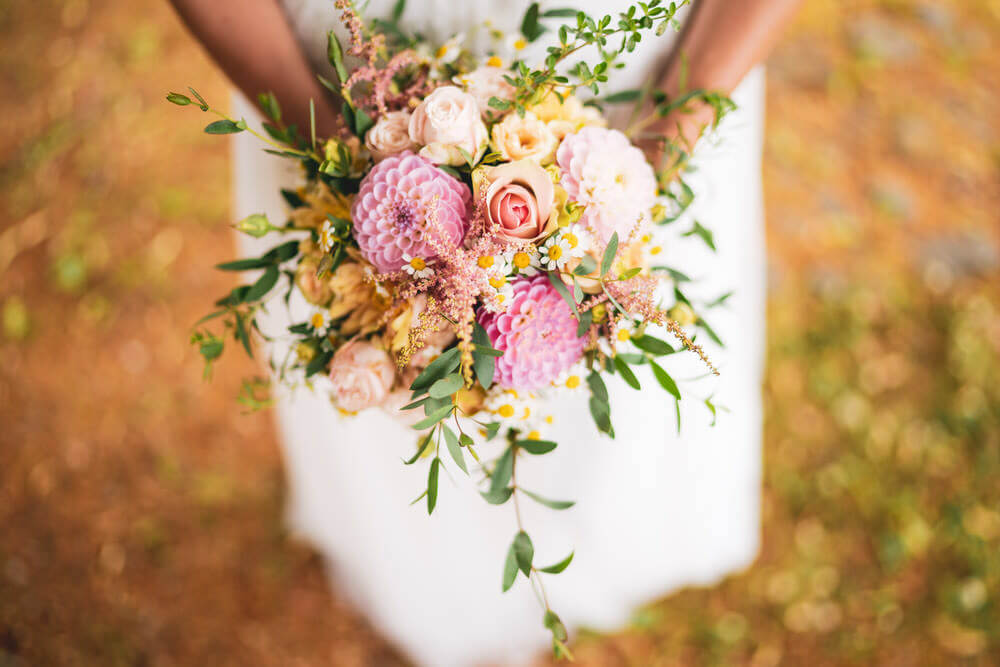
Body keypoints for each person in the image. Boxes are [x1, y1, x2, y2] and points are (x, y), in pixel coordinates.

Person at [169, 1, 801, 665]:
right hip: (335, 79)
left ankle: (594, 553)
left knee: (594, 391)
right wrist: (347, 156)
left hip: (638, 84)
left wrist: (642, 169)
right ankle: (417, 572)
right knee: (397, 386)